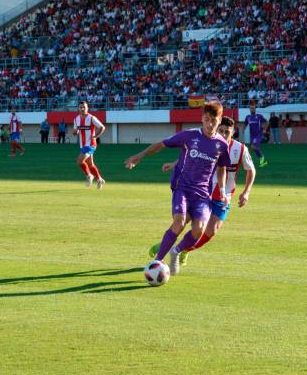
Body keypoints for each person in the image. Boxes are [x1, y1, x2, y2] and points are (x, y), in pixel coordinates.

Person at [124, 101, 230, 275]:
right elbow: (161, 144)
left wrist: (223, 191)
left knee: (198, 230)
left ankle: (176, 251)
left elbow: (222, 168)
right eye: (207, 119)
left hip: (203, 196)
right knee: (179, 223)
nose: (210, 124)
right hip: (182, 188)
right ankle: (157, 261)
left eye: (214, 120)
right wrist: (139, 156)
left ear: (219, 121)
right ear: (202, 118)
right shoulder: (189, 136)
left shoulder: (222, 145)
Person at [152, 116, 257, 272]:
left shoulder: (240, 149)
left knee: (209, 232)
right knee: (183, 221)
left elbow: (251, 170)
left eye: (226, 132)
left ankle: (183, 249)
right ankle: (162, 248)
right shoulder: (210, 143)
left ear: (233, 132)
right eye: (220, 130)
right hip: (202, 193)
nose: (223, 134)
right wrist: (174, 164)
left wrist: (246, 192)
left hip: (223, 197)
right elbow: (191, 156)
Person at [73, 101, 107, 188]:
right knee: (90, 164)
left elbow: (102, 127)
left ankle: (89, 175)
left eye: (84, 107)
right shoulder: (76, 119)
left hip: (91, 144)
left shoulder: (92, 118)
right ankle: (99, 179)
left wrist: (96, 136)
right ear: (78, 108)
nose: (82, 109)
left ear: (87, 108)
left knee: (79, 160)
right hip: (83, 145)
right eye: (81, 107)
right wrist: (75, 132)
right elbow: (75, 131)